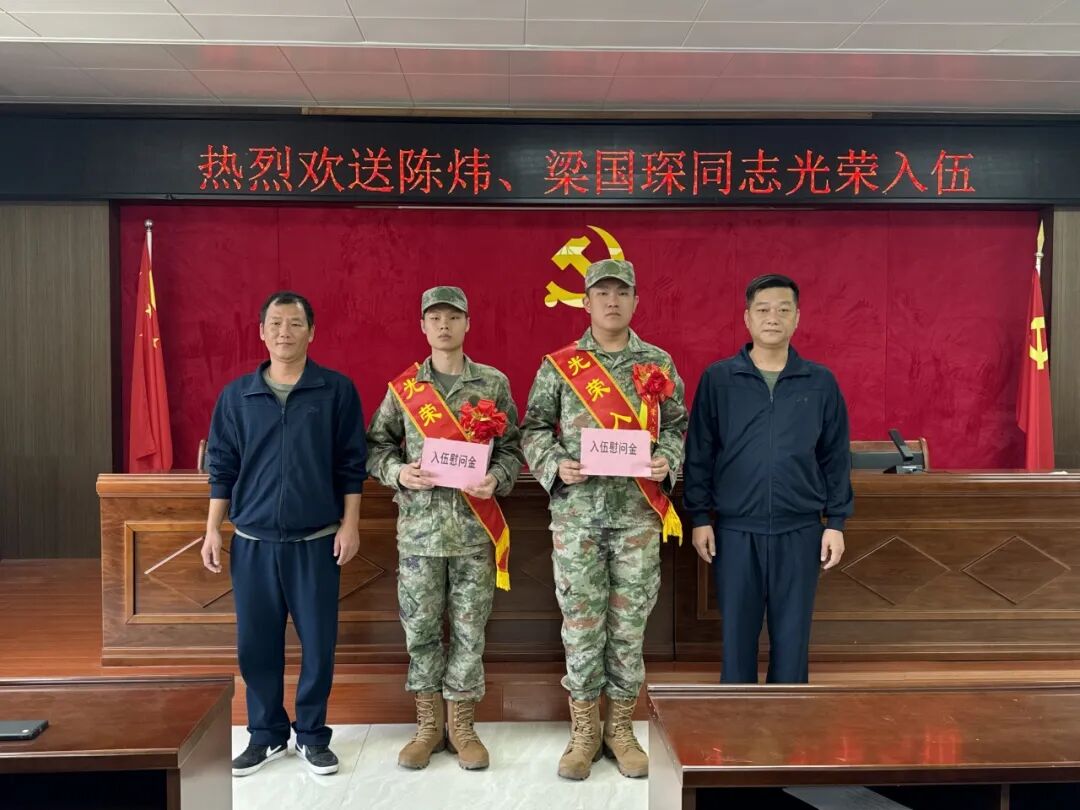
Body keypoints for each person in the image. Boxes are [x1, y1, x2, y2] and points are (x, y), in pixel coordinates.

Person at [521, 259, 687, 780]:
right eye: (602, 293)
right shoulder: (561, 365)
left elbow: (677, 427)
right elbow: (532, 428)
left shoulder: (658, 363)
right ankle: (584, 731)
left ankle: (620, 728)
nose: (612, 301)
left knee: (629, 627)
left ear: (635, 301)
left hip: (637, 517)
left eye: (621, 292)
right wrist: (555, 464)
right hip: (578, 519)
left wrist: (667, 460)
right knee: (581, 624)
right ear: (587, 302)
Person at [201, 291, 367, 777]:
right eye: (275, 323)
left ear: (311, 332)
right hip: (252, 543)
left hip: (316, 541)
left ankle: (312, 735)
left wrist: (351, 523)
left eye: (295, 323)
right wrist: (212, 529)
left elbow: (351, 464)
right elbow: (222, 467)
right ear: (261, 332)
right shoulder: (238, 396)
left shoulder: (336, 390)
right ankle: (266, 734)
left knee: (318, 644)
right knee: (256, 645)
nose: (284, 332)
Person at [366, 286, 524, 771]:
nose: (443, 325)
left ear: (467, 323)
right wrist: (398, 472)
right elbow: (376, 447)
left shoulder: (492, 383)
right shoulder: (404, 389)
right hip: (420, 535)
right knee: (420, 632)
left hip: (475, 533)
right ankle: (428, 726)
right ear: (422, 326)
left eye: (452, 317)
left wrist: (497, 478)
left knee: (470, 631)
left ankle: (462, 726)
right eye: (434, 317)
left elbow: (513, 448)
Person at [683, 273, 852, 685]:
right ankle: (737, 719)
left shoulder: (820, 382)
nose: (772, 318)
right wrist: (700, 517)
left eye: (782, 309)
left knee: (793, 639)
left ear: (797, 318)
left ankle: (787, 721)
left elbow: (835, 457)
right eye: (763, 309)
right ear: (747, 318)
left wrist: (836, 523)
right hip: (735, 530)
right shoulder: (719, 379)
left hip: (800, 530)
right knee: (737, 639)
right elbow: (699, 452)